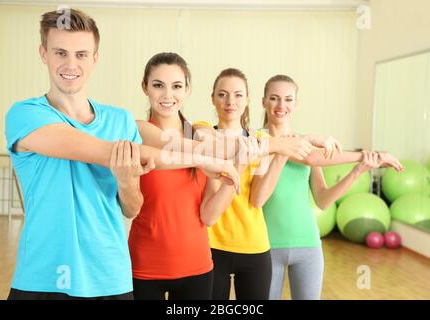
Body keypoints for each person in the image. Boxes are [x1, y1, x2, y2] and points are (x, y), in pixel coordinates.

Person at [4, 9, 239, 300]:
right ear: (44, 53)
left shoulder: (120, 120)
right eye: (60, 52)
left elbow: (131, 208)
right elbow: (108, 151)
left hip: (111, 279)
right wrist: (203, 159)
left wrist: (128, 182)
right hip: (44, 280)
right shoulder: (26, 114)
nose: (70, 64)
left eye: (81, 54)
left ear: (95, 58)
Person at [195, 68, 340, 300]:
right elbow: (214, 147)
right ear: (212, 97)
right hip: (213, 245)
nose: (230, 101)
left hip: (255, 246)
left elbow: (258, 198)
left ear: (248, 100)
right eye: (222, 94)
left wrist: (361, 158)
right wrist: (286, 144)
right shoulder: (202, 130)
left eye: (238, 95)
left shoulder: (262, 141)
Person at [260, 75, 404, 300]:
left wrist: (358, 171)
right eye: (274, 98)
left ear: (296, 104)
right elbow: (310, 158)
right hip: (266, 246)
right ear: (264, 101)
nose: (281, 106)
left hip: (308, 245)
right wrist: (365, 154)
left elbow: (323, 200)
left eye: (288, 99)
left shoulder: (309, 147)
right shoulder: (259, 142)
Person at [128, 52, 250, 300]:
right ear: (145, 87)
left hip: (196, 268)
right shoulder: (136, 131)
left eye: (176, 86)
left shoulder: (201, 136)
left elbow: (209, 215)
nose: (168, 95)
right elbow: (130, 207)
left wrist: (238, 170)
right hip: (144, 268)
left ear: (187, 90)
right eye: (158, 85)